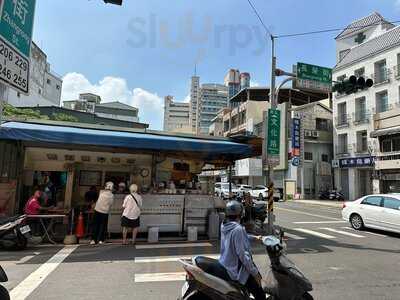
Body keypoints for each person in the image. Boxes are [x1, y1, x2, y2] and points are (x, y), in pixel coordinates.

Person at [219, 200, 266, 300]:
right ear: (240, 214)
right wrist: (254, 273)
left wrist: (255, 238)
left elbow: (237, 238)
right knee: (260, 293)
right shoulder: (238, 229)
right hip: (236, 270)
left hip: (225, 264)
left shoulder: (224, 225)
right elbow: (242, 256)